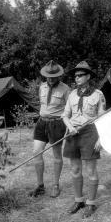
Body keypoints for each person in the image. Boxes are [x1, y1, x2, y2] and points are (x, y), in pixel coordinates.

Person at [62, 61, 106, 218]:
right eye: (75, 76)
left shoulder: (98, 94)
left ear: (88, 77)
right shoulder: (72, 94)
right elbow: (65, 115)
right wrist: (70, 126)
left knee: (90, 170)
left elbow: (103, 118)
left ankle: (91, 203)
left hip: (90, 133)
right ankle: (78, 200)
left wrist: (101, 138)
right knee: (75, 169)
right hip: (73, 133)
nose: (77, 78)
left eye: (80, 75)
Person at [29, 60, 70, 198]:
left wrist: (69, 125)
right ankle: (40, 186)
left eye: (54, 77)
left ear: (59, 76)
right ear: (45, 75)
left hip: (57, 124)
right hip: (41, 123)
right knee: (36, 152)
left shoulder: (65, 89)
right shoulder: (41, 87)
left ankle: (56, 185)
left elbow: (69, 110)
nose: (51, 79)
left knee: (57, 156)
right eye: (48, 77)